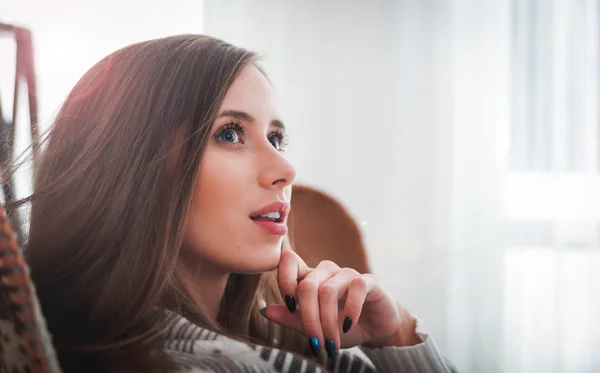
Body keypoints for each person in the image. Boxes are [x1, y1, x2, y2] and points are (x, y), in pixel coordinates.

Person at [11, 34, 457, 372]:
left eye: (276, 138)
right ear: (130, 165)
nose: (284, 169)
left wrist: (396, 334)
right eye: (229, 133)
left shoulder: (272, 347)